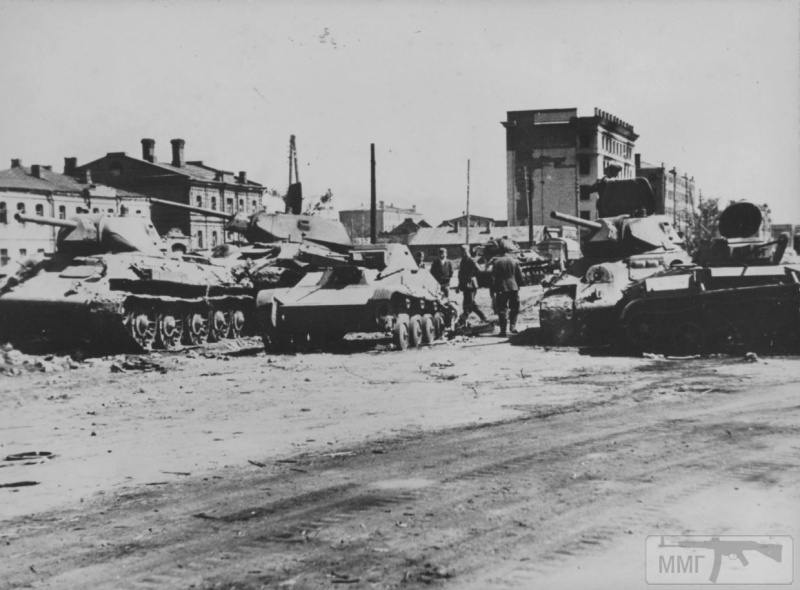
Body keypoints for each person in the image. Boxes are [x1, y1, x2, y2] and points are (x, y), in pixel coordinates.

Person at [491, 243, 523, 337]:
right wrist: (519, 285)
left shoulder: (496, 262)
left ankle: (503, 331)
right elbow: (519, 276)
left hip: (501, 288)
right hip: (513, 287)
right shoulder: (514, 261)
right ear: (508, 251)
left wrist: (493, 290)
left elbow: (493, 277)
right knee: (514, 308)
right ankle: (512, 327)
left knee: (502, 309)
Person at [456, 244, 487, 326]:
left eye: (464, 251)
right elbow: (460, 274)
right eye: (462, 251)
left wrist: (473, 276)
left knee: (468, 304)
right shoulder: (463, 260)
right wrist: (459, 285)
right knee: (471, 304)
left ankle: (463, 320)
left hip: (471, 285)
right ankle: (484, 318)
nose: (463, 253)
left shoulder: (471, 260)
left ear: (468, 251)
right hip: (465, 286)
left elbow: (480, 270)